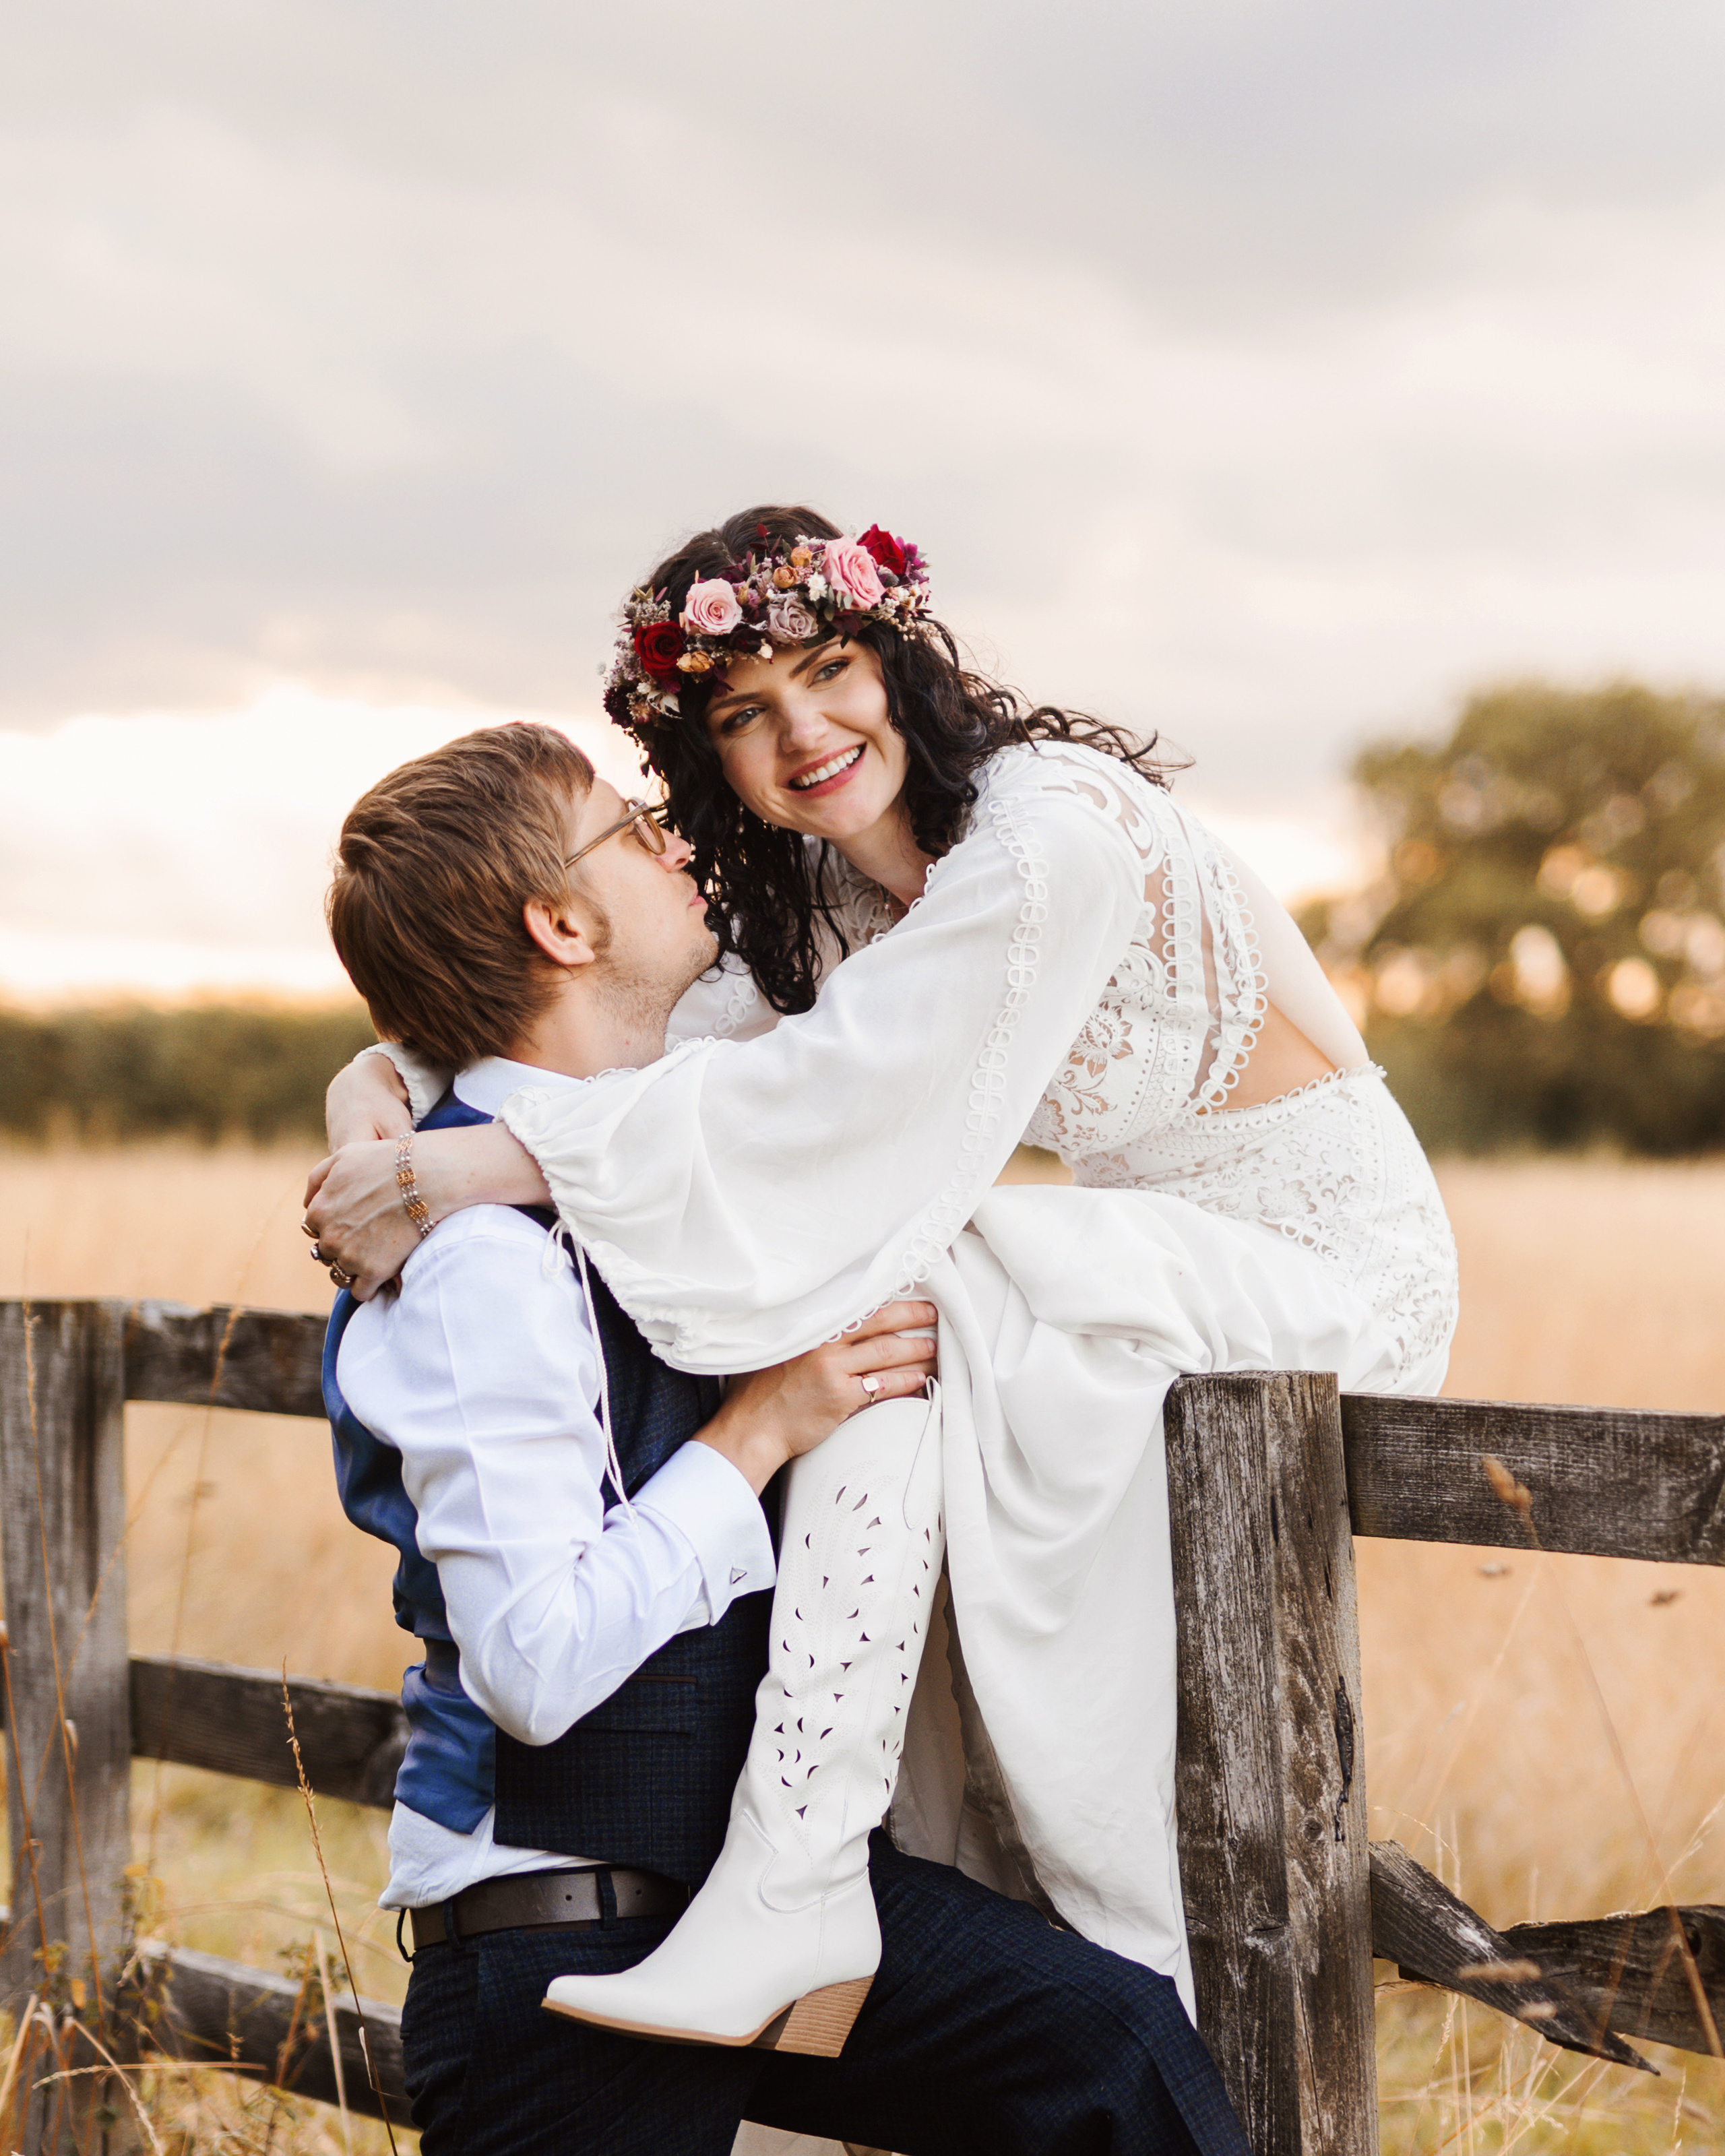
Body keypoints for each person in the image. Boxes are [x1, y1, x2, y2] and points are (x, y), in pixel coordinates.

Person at [309, 505, 1459, 2052]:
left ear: (895, 653)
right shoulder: (830, 893)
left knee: (902, 1257)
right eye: (741, 712)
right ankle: (818, 1870)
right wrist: (379, 1096)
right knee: (880, 1281)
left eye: (829, 668)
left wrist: (464, 1167)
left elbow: (827, 1103)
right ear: (702, 749)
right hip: (1156, 1277)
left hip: (1320, 1269)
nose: (803, 733)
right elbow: (583, 1024)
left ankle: (797, 1851)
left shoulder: (1050, 834)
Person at [317, 720, 1247, 2155]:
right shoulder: (480, 1266)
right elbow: (533, 1661)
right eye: (626, 829)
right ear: (560, 923)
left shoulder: (662, 1152)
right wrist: (761, 1429)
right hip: (561, 1944)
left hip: (748, 1892)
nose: (669, 837)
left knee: (1110, 2049)